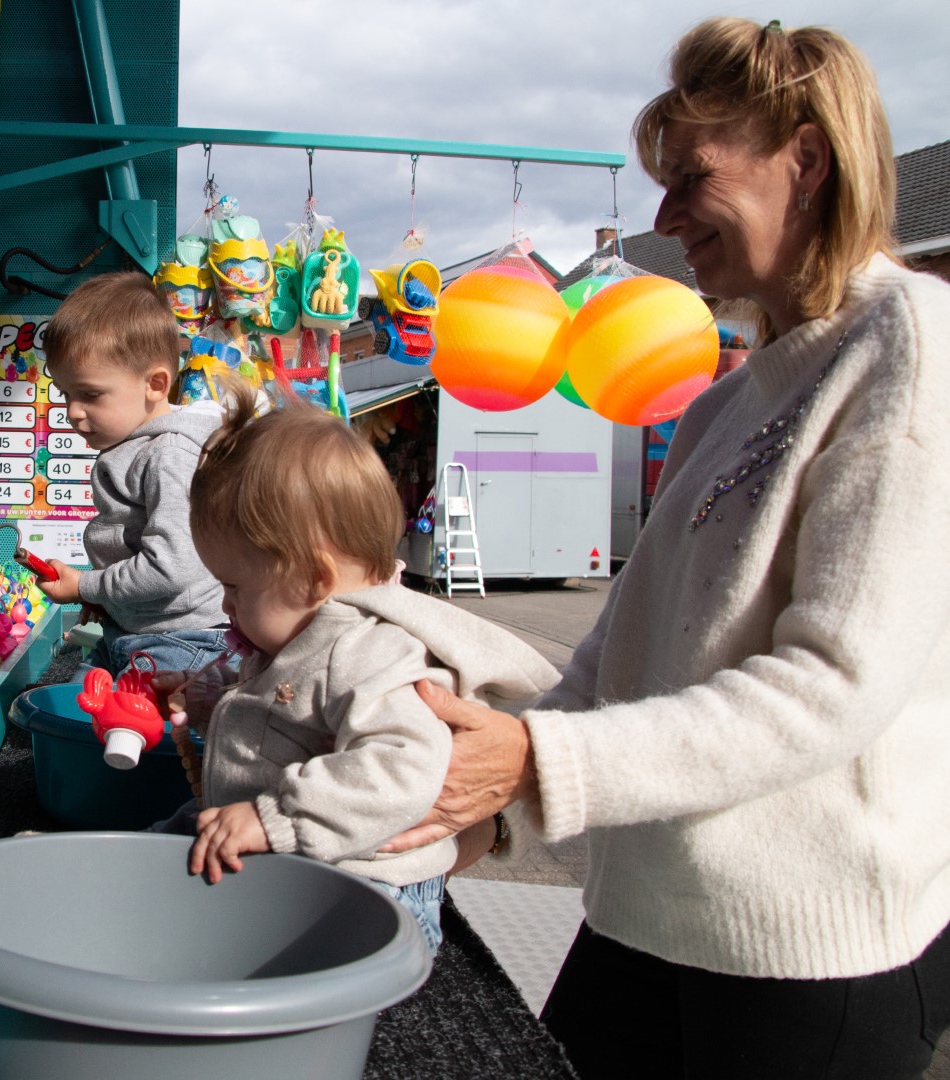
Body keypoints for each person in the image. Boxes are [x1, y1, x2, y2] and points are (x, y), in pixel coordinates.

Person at [386, 17, 950, 1078]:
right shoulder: (723, 405)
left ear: (807, 159)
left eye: (693, 176)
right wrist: (499, 795)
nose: (664, 216)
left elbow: (832, 686)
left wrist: (539, 761)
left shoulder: (909, 343)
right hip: (646, 919)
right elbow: (622, 650)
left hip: (807, 958)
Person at [163, 387, 559, 953]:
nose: (225, 605)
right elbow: (280, 707)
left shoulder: (369, 652)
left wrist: (276, 819)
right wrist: (211, 696)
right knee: (175, 839)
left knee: (299, 965)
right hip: (300, 858)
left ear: (314, 579)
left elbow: (400, 766)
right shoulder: (303, 631)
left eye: (234, 587)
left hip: (367, 892)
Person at [36, 271, 233, 676]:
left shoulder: (169, 454)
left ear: (155, 384)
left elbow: (170, 568)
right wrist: (105, 600)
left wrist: (85, 586)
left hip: (183, 640)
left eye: (90, 394)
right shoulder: (136, 447)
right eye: (65, 394)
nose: (72, 411)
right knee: (76, 696)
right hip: (134, 631)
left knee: (121, 713)